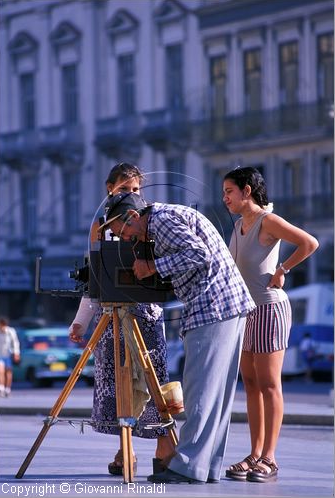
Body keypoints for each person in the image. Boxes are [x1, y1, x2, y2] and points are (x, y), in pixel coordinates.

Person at [101, 191, 256, 484]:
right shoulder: (167, 216)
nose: (126, 239)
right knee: (216, 396)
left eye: (124, 232)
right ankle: (204, 466)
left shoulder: (160, 221)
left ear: (133, 217)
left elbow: (200, 254)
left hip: (212, 307)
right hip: (227, 306)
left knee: (200, 392)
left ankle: (187, 466)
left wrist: (153, 267)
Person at [69, 163, 175, 476]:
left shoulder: (151, 222)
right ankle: (124, 448)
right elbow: (95, 279)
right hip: (111, 313)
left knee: (152, 376)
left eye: (136, 190)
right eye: (124, 189)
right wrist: (81, 321)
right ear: (109, 189)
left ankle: (164, 446)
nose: (131, 195)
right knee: (116, 383)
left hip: (146, 311)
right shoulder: (100, 226)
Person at [222, 167, 319, 483]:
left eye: (229, 192)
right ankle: (254, 454)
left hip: (270, 310)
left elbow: (309, 243)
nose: (225, 198)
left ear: (246, 191)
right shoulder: (238, 226)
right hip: (245, 312)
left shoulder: (268, 220)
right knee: (250, 384)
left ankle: (270, 458)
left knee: (269, 383)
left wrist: (283, 270)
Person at [0, 316, 20, 397]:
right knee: (0, 371)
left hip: (8, 355)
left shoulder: (10, 331)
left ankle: (7, 388)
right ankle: (1, 388)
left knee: (8, 372)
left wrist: (16, 353)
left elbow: (15, 342)